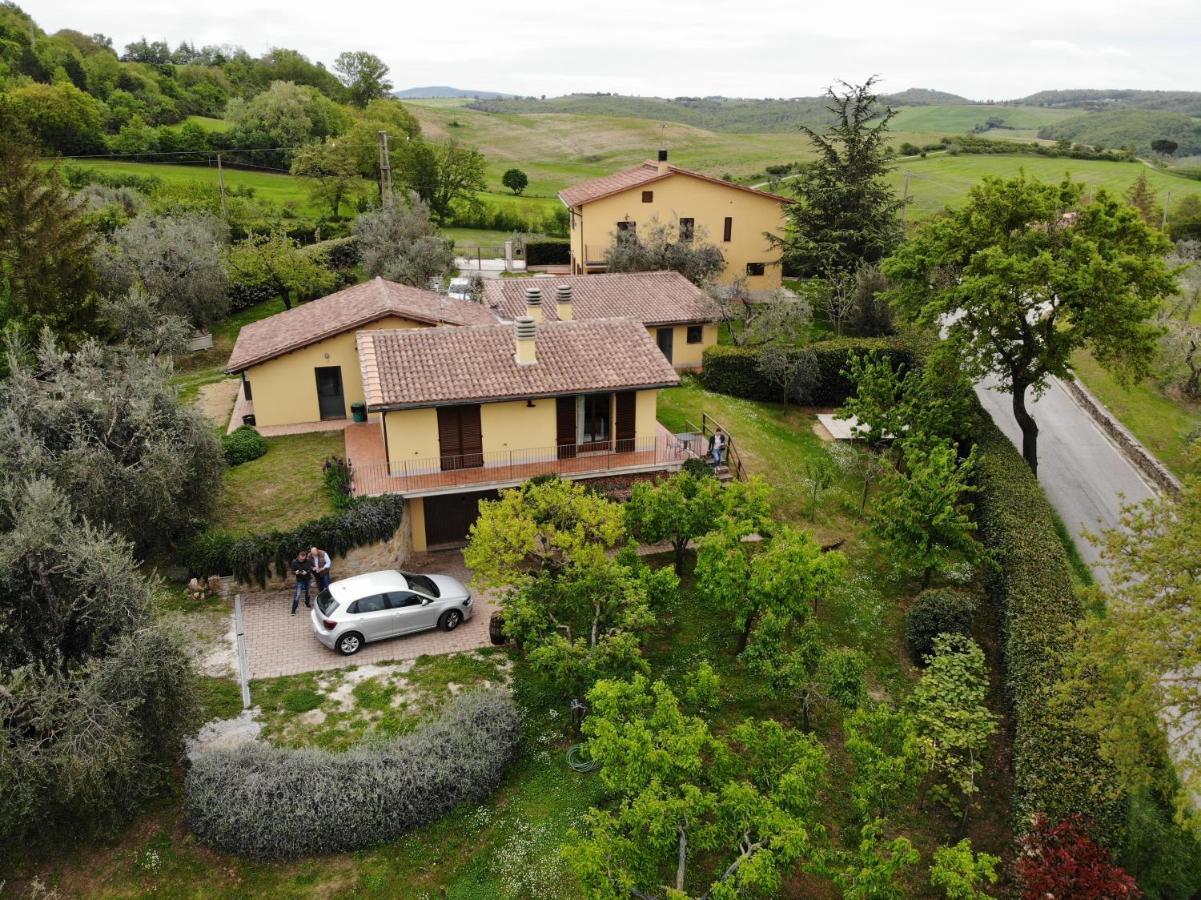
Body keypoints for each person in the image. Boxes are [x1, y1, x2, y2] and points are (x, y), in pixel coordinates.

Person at [291, 549, 313, 615]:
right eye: (301, 558)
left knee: (308, 592)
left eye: (303, 558)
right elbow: (292, 571)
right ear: (298, 556)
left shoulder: (308, 561)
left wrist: (306, 572)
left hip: (307, 579)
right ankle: (293, 610)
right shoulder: (294, 562)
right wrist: (295, 572)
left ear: (305, 557)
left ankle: (307, 603)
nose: (302, 560)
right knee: (297, 595)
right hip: (299, 580)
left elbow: (310, 569)